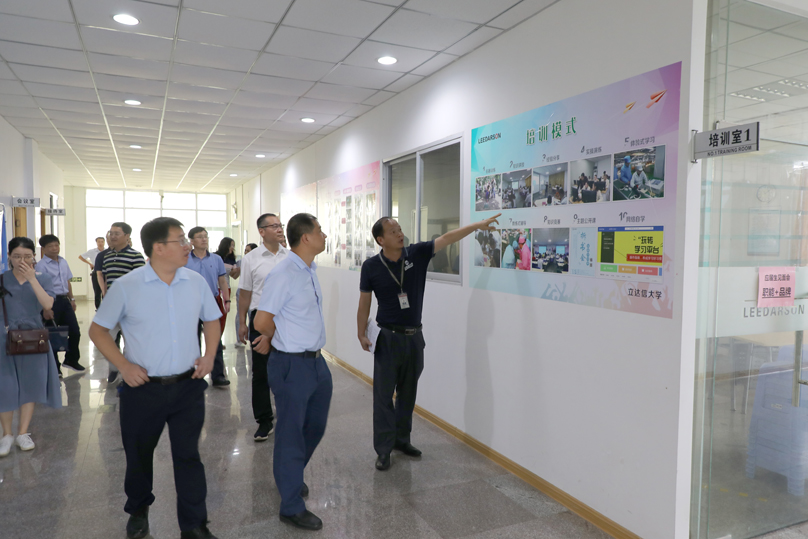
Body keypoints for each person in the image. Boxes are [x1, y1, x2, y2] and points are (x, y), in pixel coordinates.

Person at [89, 217, 222, 539]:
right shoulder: (127, 286)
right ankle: (138, 510)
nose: (188, 246)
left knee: (189, 457)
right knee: (139, 456)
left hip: (188, 386)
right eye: (181, 240)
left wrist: (209, 355)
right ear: (159, 248)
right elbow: (98, 330)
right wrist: (124, 366)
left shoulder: (195, 282)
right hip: (143, 390)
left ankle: (194, 525)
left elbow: (212, 320)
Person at [356, 213, 500, 471]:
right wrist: (361, 333)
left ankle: (402, 440)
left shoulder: (416, 254)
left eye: (400, 229)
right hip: (387, 337)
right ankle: (384, 449)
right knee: (383, 396)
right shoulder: (371, 266)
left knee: (408, 393)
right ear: (380, 240)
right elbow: (364, 301)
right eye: (393, 231)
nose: (400, 234)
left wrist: (477, 226)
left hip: (414, 337)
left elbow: (448, 238)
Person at [254, 213, 330, 531]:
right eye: (320, 230)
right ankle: (291, 505)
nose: (324, 235)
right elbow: (261, 321)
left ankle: (290, 475)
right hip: (291, 364)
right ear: (306, 237)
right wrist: (277, 338)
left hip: (316, 362)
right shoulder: (284, 272)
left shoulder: (309, 269)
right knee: (290, 433)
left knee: (315, 427)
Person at [0, 237, 62, 457]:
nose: (22, 261)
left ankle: (22, 433)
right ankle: (6, 434)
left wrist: (32, 279)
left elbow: (47, 304)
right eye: (17, 256)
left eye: (27, 256)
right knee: (5, 385)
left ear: (34, 257)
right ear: (9, 256)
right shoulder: (2, 279)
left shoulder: (43, 278)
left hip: (33, 338)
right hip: (4, 337)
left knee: (30, 384)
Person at [238, 214, 288, 441]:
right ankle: (264, 420)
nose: (279, 229)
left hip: (286, 318)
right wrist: (242, 322)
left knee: (287, 368)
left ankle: (287, 414)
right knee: (261, 371)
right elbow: (245, 293)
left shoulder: (290, 256)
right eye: (274, 226)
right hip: (260, 318)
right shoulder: (251, 258)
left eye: (280, 225)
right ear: (261, 231)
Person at [100, 223, 145, 383]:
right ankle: (114, 367)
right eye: (111, 233)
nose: (112, 236)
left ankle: (128, 375)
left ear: (127, 236)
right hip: (111, 307)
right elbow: (107, 279)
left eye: (117, 233)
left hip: (129, 307)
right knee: (106, 339)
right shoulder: (107, 256)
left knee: (130, 343)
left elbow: (141, 283)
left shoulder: (136, 256)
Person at [185, 227, 230, 388]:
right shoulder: (185, 259)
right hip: (190, 303)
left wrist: (227, 300)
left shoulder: (216, 259)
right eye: (200, 237)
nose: (204, 239)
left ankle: (218, 375)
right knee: (192, 339)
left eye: (206, 236)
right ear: (191, 241)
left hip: (211, 301)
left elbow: (222, 281)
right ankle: (193, 375)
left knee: (215, 339)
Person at [36, 234, 84, 373]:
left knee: (75, 331)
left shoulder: (63, 261)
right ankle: (55, 367)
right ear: (43, 249)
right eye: (50, 246)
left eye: (56, 245)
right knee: (52, 334)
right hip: (51, 301)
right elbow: (40, 287)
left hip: (64, 300)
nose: (54, 248)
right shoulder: (41, 265)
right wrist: (46, 307)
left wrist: (72, 299)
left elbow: (67, 281)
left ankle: (71, 360)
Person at [233, 243, 257, 348]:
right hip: (242, 291)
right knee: (240, 315)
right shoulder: (241, 262)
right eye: (245, 250)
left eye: (248, 250)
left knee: (253, 315)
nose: (246, 252)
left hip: (254, 292)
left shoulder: (258, 261)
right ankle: (239, 339)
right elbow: (234, 276)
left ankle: (252, 338)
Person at [79, 236, 106, 309]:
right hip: (96, 272)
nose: (100, 243)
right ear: (96, 243)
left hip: (105, 273)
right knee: (97, 291)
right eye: (99, 242)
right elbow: (81, 257)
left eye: (102, 242)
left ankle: (105, 307)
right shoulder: (92, 251)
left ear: (104, 242)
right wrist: (90, 264)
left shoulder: (107, 251)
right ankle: (98, 308)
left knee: (105, 291)